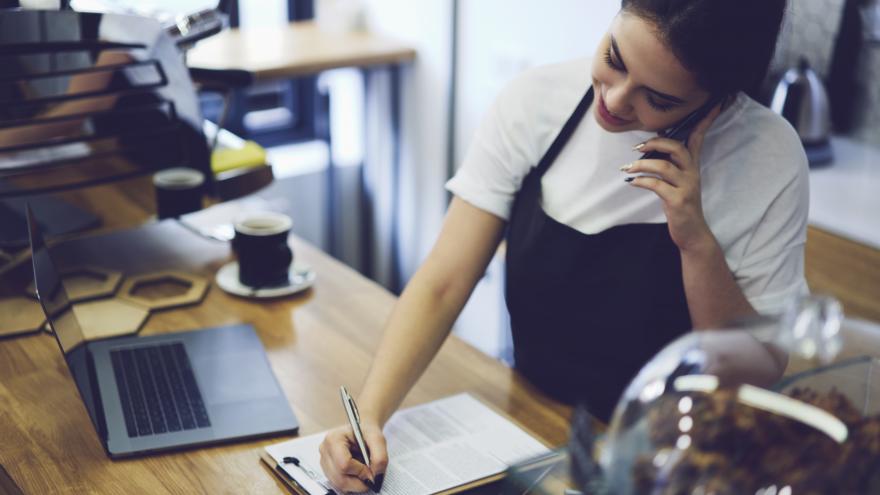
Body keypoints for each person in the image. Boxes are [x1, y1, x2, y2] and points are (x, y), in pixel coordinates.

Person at [320, 0, 807, 491]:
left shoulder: (767, 157)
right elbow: (443, 283)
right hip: (533, 432)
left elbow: (753, 379)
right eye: (614, 59)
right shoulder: (536, 102)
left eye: (658, 100)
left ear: (718, 97)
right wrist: (369, 419)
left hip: (677, 466)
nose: (615, 101)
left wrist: (695, 240)